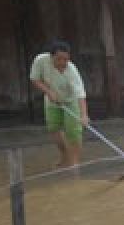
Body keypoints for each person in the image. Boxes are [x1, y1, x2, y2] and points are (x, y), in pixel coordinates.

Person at [29, 40, 88, 168]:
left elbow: (80, 93)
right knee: (54, 129)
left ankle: (75, 163)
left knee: (73, 132)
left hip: (71, 101)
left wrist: (84, 115)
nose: (62, 63)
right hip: (52, 100)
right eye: (59, 59)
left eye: (66, 59)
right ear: (51, 56)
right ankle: (65, 155)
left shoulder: (71, 70)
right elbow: (35, 79)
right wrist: (48, 91)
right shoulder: (40, 60)